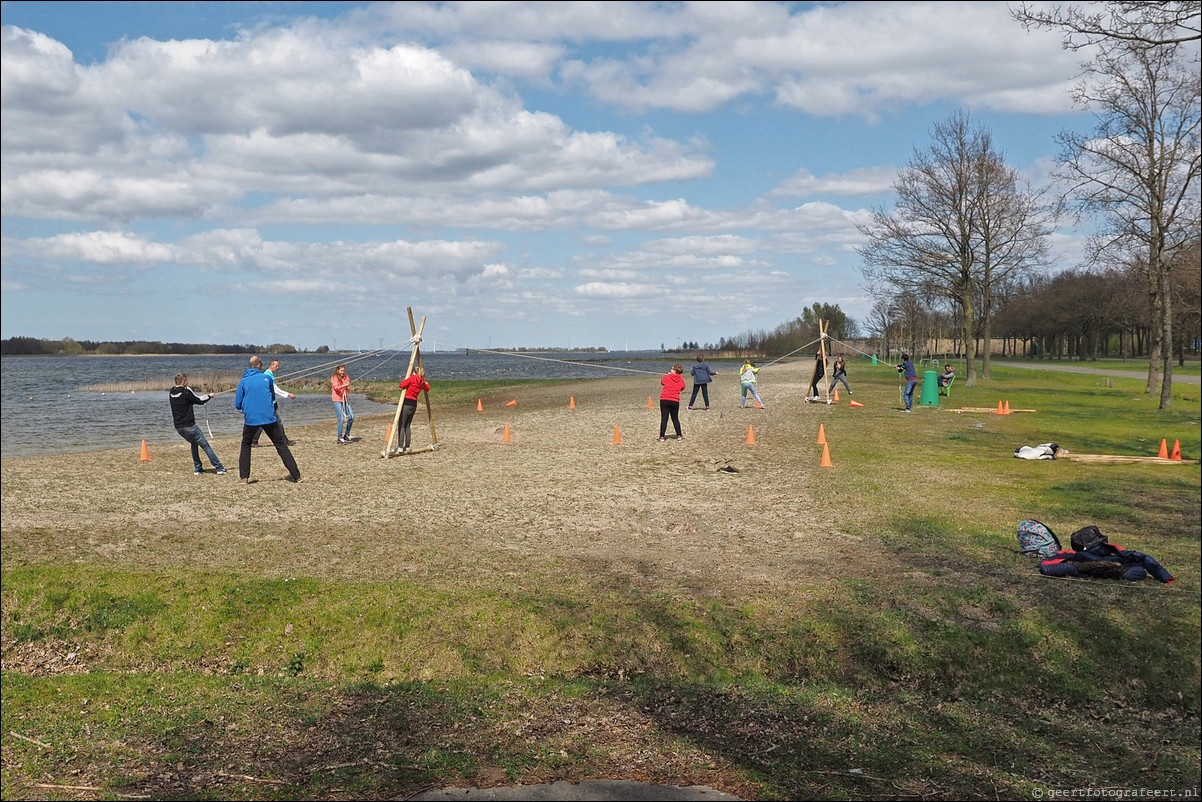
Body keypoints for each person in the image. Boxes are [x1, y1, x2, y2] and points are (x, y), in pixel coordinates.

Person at [234, 355, 301, 483]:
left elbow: (238, 404)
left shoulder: (243, 382)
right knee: (281, 445)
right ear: (259, 366)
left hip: (252, 418)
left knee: (246, 445)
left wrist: (248, 406)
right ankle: (297, 476)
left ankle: (244, 478)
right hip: (268, 417)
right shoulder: (266, 378)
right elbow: (271, 397)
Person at [169, 372, 226, 475]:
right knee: (206, 446)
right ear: (183, 382)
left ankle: (198, 468)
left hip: (179, 428)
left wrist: (205, 397)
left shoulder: (171, 392)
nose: (188, 382)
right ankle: (219, 468)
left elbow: (193, 399)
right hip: (189, 426)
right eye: (186, 381)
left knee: (194, 443)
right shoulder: (186, 391)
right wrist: (209, 396)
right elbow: (199, 400)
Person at [250, 358, 296, 447]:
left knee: (263, 422)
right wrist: (288, 394)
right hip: (269, 403)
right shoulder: (267, 375)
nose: (277, 368)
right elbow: (275, 389)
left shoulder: (270, 375)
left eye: (278, 366)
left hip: (271, 402)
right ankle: (284, 441)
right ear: (271, 365)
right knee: (278, 422)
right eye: (276, 366)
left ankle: (254, 441)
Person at [394, 366, 430, 454]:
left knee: (402, 425)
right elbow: (427, 388)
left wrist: (409, 377)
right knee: (408, 425)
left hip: (407, 402)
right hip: (414, 403)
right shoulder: (421, 381)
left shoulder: (412, 378)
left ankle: (400, 446)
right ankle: (407, 446)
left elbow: (401, 385)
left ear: (414, 372)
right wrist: (425, 382)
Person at [659, 364, 686, 441]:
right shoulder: (680, 379)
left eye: (672, 368)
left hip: (665, 399)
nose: (670, 369)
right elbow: (682, 387)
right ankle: (679, 435)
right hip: (674, 400)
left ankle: (662, 436)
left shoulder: (667, 377)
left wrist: (668, 376)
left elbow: (662, 382)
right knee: (675, 418)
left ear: (674, 371)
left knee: (664, 418)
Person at [331, 364, 355, 444]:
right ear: (338, 370)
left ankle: (347, 435)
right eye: (341, 371)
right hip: (337, 400)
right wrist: (343, 386)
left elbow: (348, 389)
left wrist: (346, 387)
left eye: (343, 371)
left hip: (345, 399)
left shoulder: (346, 377)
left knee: (351, 417)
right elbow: (336, 388)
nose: (342, 372)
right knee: (341, 418)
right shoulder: (334, 377)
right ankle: (339, 437)